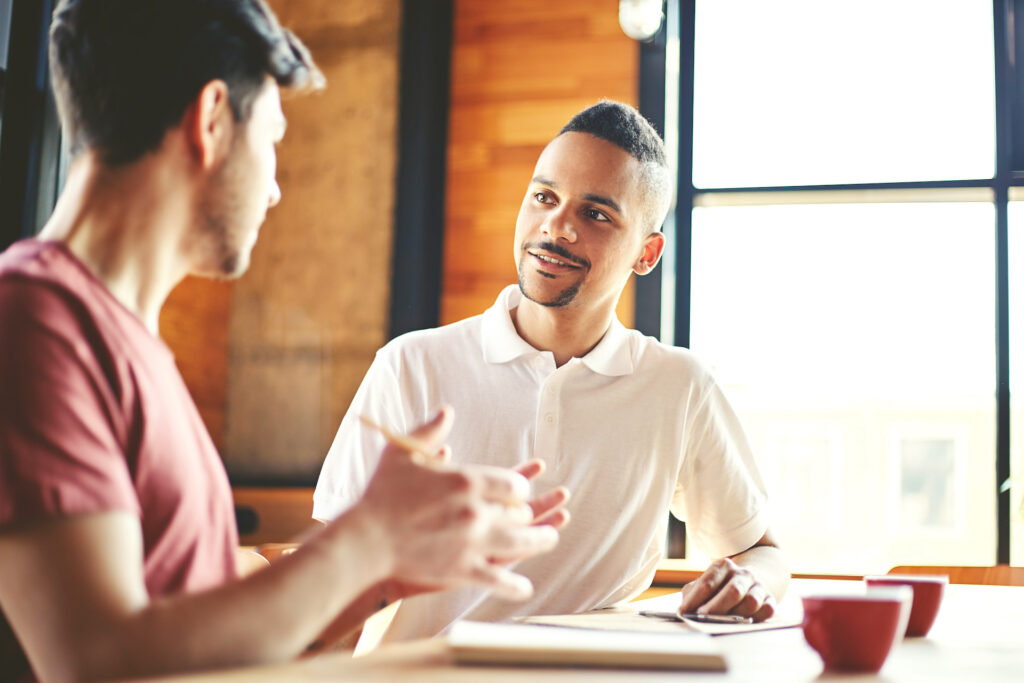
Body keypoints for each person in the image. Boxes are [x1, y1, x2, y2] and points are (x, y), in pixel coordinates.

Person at [0, 2, 568, 681]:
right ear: (210, 120)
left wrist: (385, 569)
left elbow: (202, 627)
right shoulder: (33, 319)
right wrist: (365, 540)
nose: (273, 188)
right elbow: (96, 660)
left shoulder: (116, 338)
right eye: (272, 139)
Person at [314, 100, 790, 642]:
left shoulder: (680, 385)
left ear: (647, 253)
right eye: (544, 197)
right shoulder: (411, 365)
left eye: (596, 214)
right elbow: (331, 575)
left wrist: (749, 581)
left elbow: (761, 550)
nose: (557, 227)